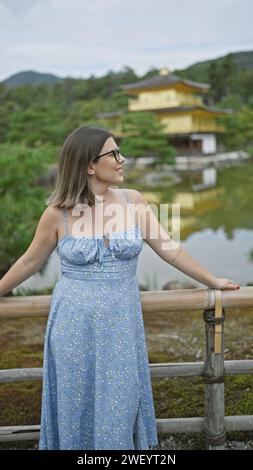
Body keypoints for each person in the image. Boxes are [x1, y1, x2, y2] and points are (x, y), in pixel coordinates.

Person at [0, 125, 240, 450]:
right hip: (73, 328)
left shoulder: (133, 202)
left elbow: (169, 248)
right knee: (76, 405)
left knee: (120, 403)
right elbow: (29, 263)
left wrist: (211, 281)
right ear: (89, 165)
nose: (122, 159)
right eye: (113, 153)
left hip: (121, 329)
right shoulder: (57, 214)